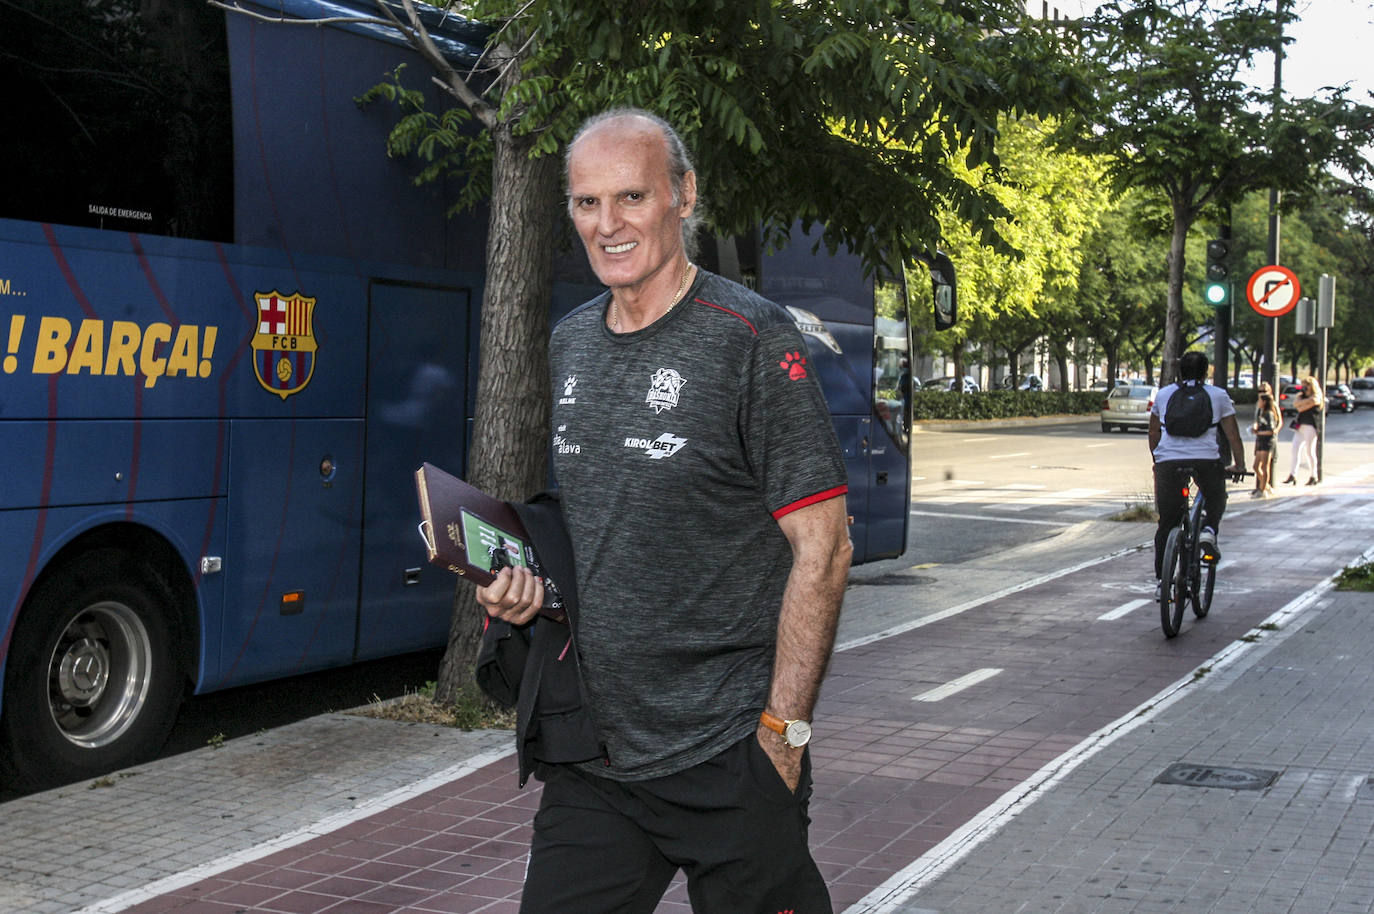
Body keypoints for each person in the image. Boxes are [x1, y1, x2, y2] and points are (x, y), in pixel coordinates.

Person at [476, 108, 851, 913]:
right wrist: (523, 591)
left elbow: (824, 549)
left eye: (631, 197)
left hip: (728, 750)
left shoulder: (751, 335)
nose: (606, 225)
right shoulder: (570, 341)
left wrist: (783, 738)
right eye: (585, 203)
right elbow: (592, 531)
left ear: (683, 195)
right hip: (597, 760)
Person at [1148, 351, 1245, 598]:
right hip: (1206, 461)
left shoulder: (1164, 394)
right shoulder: (1218, 396)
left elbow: (1153, 433)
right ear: (1205, 372)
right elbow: (1233, 434)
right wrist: (1240, 465)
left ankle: (1162, 582)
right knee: (1215, 496)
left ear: (1180, 371)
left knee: (1166, 523)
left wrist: (1157, 461)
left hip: (1168, 462)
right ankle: (1208, 532)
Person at [1282, 375, 1324, 486]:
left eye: (1306, 386)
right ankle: (1292, 474)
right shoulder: (1301, 395)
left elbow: (1308, 404)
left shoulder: (1317, 396)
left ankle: (1313, 475)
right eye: (1303, 386)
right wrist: (1305, 403)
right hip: (1300, 426)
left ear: (1311, 386)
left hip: (1311, 426)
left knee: (1310, 452)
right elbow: (1296, 405)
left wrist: (1303, 404)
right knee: (1295, 450)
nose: (1304, 388)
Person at [1251, 390, 1281, 496]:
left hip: (1267, 441)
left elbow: (1271, 430)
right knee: (1256, 466)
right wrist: (1255, 428)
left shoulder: (1269, 414)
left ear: (1264, 402)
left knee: (1265, 465)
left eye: (1260, 400)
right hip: (1260, 440)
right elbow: (1258, 423)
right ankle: (1266, 484)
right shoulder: (1261, 412)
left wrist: (1259, 432)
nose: (1258, 403)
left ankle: (1263, 488)